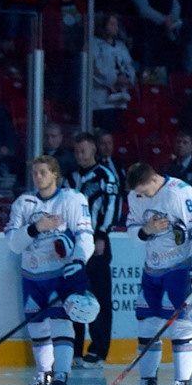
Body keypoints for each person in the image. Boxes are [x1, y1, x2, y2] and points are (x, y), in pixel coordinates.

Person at [121, 160, 192, 385]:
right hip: (152, 269)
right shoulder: (135, 195)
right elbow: (133, 231)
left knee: (180, 325)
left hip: (179, 268)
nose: (141, 197)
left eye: (144, 191)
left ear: (154, 179)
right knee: (146, 324)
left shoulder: (179, 193)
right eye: (137, 193)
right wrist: (146, 231)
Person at [5, 154, 96, 385]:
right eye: (35, 173)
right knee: (37, 327)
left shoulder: (72, 199)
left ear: (55, 174)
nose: (38, 177)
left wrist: (78, 261)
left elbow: (84, 234)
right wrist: (36, 228)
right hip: (32, 275)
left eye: (43, 172)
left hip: (59, 274)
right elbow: (13, 243)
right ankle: (44, 376)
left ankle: (61, 378)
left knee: (60, 323)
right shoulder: (24, 203)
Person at [65, 132, 123, 363]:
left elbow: (112, 206)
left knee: (99, 297)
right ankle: (74, 348)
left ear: (93, 151)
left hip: (97, 242)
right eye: (77, 151)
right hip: (73, 244)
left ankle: (98, 350)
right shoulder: (70, 177)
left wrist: (101, 234)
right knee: (74, 294)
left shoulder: (105, 176)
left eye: (84, 151)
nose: (80, 155)